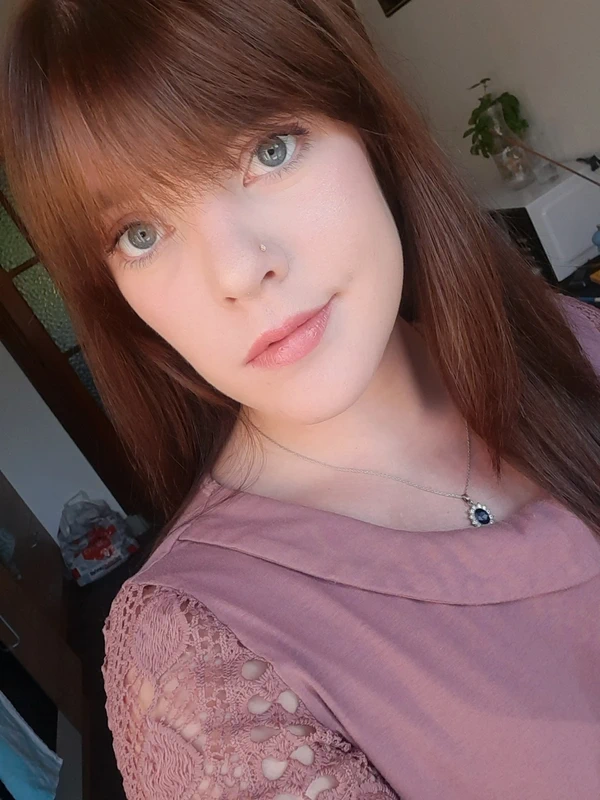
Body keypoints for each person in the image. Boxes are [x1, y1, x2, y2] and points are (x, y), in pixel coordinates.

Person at [2, 0, 600, 797]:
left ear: (366, 125)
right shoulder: (205, 669)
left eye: (269, 151)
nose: (238, 271)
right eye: (141, 233)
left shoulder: (564, 335)